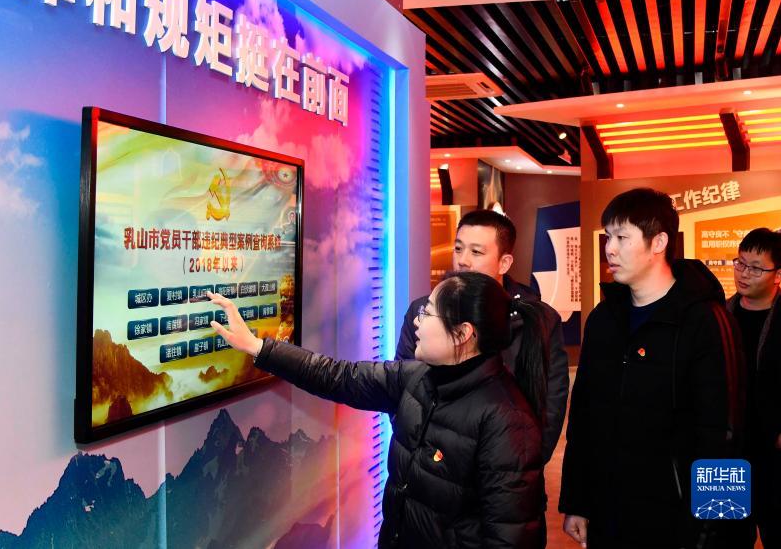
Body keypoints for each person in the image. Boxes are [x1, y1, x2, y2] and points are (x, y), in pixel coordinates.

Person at [210, 271, 548, 549]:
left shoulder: (508, 422)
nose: (416, 322)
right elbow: (337, 376)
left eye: (427, 313)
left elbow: (511, 538)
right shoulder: (417, 378)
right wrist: (258, 347)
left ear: (462, 334)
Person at [560, 188, 744, 549]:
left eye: (622, 237)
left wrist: (714, 530)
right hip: (609, 513)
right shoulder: (604, 319)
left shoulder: (704, 320)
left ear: (658, 242)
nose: (610, 249)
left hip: (678, 522)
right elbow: (583, 418)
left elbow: (725, 432)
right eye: (608, 236)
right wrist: (577, 502)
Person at [396, 209, 569, 464]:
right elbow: (401, 387)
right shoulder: (422, 311)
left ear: (504, 263)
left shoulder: (537, 319)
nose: (463, 260)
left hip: (506, 465)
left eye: (476, 252)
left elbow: (549, 406)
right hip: (431, 465)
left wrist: (521, 466)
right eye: (458, 249)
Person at [728, 228, 781, 549]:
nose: (744, 273)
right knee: (721, 534)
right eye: (740, 263)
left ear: (778, 274)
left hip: (773, 453)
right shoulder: (719, 315)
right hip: (725, 452)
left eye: (757, 268)